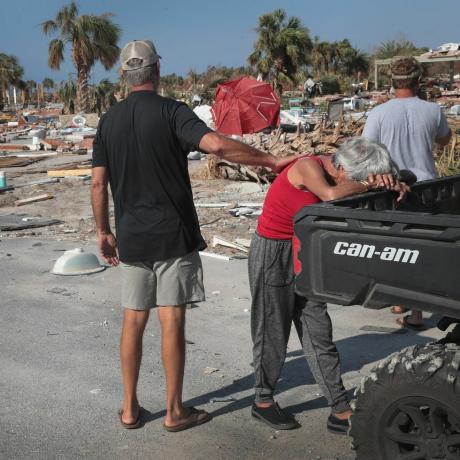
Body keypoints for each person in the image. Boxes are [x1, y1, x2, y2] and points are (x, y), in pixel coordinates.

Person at [91, 39, 294, 432]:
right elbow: (216, 144)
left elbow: (99, 184)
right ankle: (173, 411)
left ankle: (130, 409)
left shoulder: (108, 121)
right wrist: (269, 160)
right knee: (172, 322)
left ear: (124, 75)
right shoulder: (172, 112)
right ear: (157, 72)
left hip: (132, 237)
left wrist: (103, 231)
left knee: (132, 322)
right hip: (173, 236)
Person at [248, 137, 408, 434]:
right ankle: (263, 400)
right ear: (344, 169)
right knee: (272, 328)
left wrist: (393, 185)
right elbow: (331, 195)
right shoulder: (308, 166)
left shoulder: (341, 172)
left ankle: (339, 408)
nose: (362, 183)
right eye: (359, 178)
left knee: (318, 329)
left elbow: (368, 191)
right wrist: (370, 185)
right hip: (273, 250)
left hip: (306, 250)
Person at [363, 56, 452, 330]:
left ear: (392, 82)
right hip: (426, 190)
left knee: (394, 248)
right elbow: (444, 138)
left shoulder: (379, 113)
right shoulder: (432, 110)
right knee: (419, 249)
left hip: (391, 189)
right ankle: (411, 308)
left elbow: (366, 150)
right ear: (419, 80)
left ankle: (406, 306)